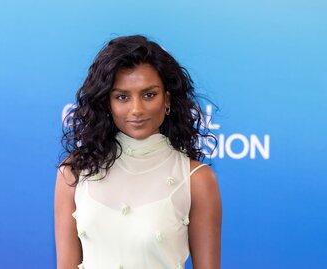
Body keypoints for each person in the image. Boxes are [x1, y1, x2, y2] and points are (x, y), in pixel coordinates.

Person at [54, 35, 222, 269]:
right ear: (107, 103)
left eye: (149, 95)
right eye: (122, 97)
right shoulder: (74, 173)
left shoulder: (197, 179)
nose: (137, 109)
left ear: (167, 99)